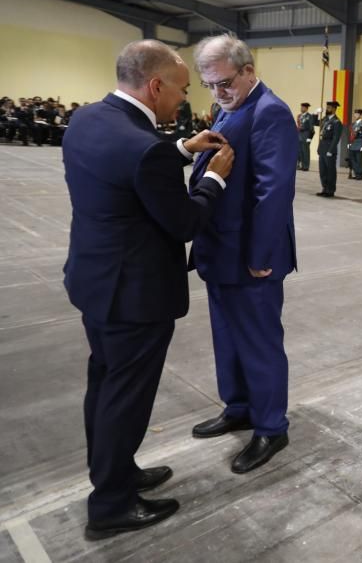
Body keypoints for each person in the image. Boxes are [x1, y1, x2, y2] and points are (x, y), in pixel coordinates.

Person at [62, 40, 233, 540]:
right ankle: (111, 505)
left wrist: (179, 151)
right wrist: (214, 181)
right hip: (134, 295)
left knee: (104, 384)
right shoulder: (144, 149)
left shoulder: (89, 120)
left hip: (94, 284)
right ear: (156, 86)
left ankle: (114, 472)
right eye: (181, 89)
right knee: (126, 398)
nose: (184, 99)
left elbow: (129, 170)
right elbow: (184, 222)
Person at [188, 34, 298, 473]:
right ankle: (238, 406)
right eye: (210, 85)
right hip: (220, 252)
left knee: (259, 342)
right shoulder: (230, 107)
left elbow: (272, 193)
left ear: (249, 70)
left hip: (252, 257)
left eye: (225, 83)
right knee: (227, 337)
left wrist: (259, 254)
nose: (218, 93)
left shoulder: (269, 112)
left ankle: (271, 426)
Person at [316, 100, 343, 197]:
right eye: (327, 107)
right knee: (322, 170)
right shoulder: (325, 119)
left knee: (330, 171)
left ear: (334, 109)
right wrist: (316, 114)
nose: (327, 109)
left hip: (329, 149)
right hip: (322, 148)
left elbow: (336, 138)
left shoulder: (337, 122)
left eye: (329, 107)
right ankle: (324, 188)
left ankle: (330, 190)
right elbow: (315, 123)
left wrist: (331, 150)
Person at [347, 108, 362, 180]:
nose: (355, 115)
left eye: (357, 114)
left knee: (359, 160)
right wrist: (349, 143)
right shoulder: (353, 124)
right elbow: (350, 135)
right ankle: (356, 173)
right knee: (352, 159)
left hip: (359, 143)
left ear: (361, 115)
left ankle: (359, 175)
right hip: (353, 144)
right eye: (355, 114)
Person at [296, 102, 315, 171]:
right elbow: (298, 126)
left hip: (306, 135)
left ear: (306, 108)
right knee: (300, 151)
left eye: (303, 107)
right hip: (299, 135)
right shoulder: (299, 116)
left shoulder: (309, 116)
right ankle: (301, 165)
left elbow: (311, 128)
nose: (301, 108)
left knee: (305, 151)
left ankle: (306, 166)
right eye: (301, 107)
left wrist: (310, 138)